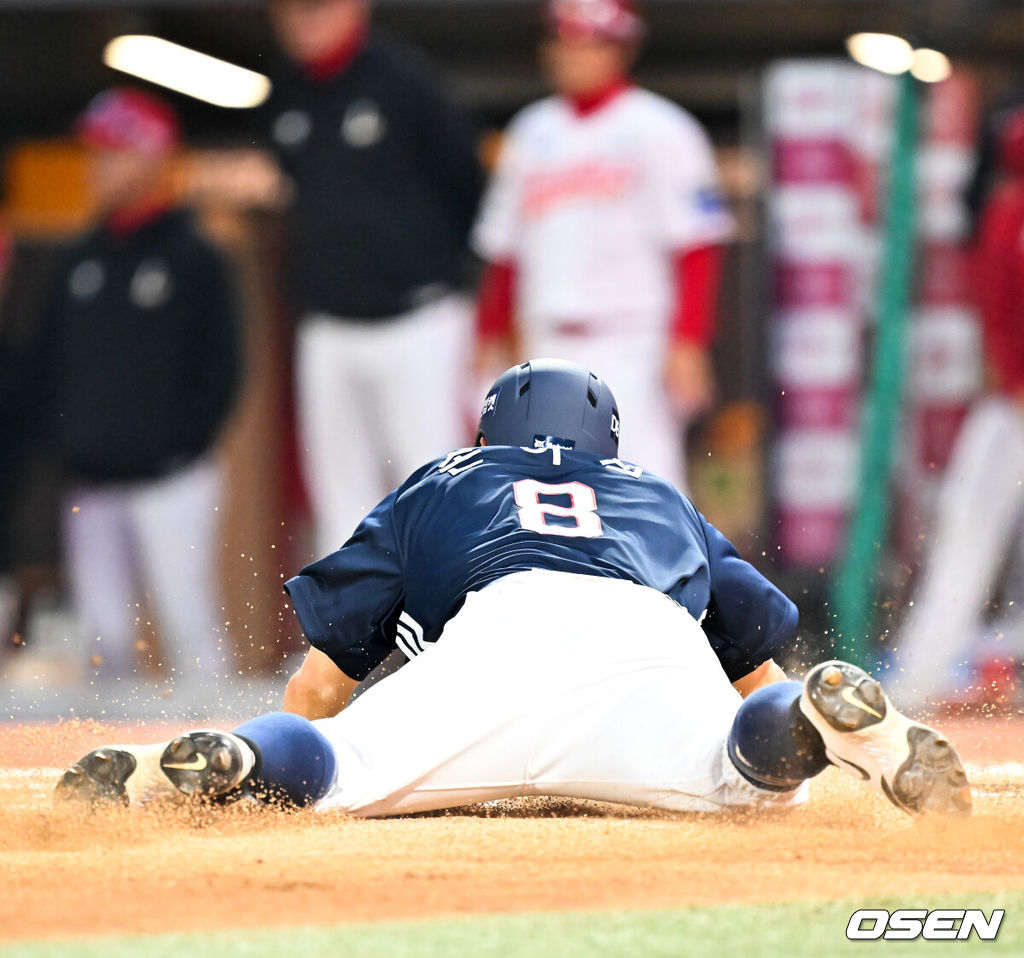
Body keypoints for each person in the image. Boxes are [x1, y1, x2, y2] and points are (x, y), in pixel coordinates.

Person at [56, 359, 970, 818]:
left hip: (494, 640)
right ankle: (808, 725)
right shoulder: (659, 495)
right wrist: (771, 718)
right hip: (647, 643)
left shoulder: (445, 479)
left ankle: (244, 759)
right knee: (746, 772)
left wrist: (295, 734)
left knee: (337, 764)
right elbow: (752, 667)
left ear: (490, 432)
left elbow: (323, 683)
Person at [473, 0, 733, 490]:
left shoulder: (663, 127)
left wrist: (689, 341)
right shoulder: (531, 130)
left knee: (643, 488)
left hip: (631, 342)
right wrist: (488, 333)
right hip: (544, 342)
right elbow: (504, 249)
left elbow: (697, 244)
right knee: (542, 491)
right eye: (562, 41)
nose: (570, 54)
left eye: (588, 42)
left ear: (622, 48)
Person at [31, 88, 241, 687]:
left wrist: (181, 446)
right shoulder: (78, 260)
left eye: (114, 153)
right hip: (92, 482)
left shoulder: (193, 255)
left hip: (172, 477)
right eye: (95, 154)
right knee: (102, 642)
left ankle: (222, 744)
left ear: (153, 157)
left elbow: (223, 368)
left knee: (188, 624)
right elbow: (48, 365)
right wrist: (68, 445)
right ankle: (102, 752)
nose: (99, 167)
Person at [261, 0, 485, 556]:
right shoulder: (284, 95)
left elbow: (469, 185)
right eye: (291, 8)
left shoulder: (404, 81)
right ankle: (354, 614)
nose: (304, 18)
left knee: (434, 488)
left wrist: (440, 268)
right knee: (339, 499)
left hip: (418, 319)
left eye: (317, 6)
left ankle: (451, 612)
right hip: (329, 323)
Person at [893, 108, 1024, 709]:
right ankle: (918, 679)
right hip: (1010, 405)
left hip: (1008, 400)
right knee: (966, 533)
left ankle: (927, 675)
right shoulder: (1007, 210)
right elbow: (997, 313)